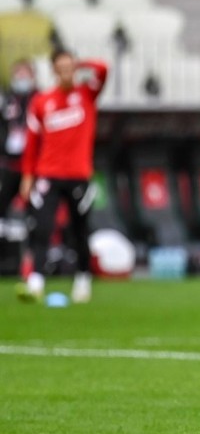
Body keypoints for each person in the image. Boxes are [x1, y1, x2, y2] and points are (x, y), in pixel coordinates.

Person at [17, 49, 109, 303]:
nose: (67, 71)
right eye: (62, 66)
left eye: (71, 66)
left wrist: (81, 64)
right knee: (42, 227)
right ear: (54, 70)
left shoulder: (86, 95)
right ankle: (35, 281)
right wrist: (27, 176)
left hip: (79, 175)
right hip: (48, 175)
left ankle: (82, 278)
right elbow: (32, 142)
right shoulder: (42, 101)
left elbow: (103, 69)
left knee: (79, 230)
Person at [0, 60, 37, 219]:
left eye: (25, 73)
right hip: (8, 162)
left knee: (35, 206)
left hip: (32, 165)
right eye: (18, 73)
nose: (21, 77)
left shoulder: (40, 99)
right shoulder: (6, 99)